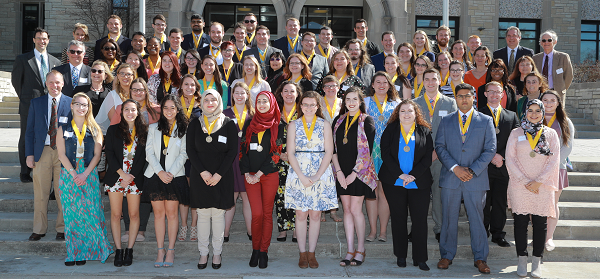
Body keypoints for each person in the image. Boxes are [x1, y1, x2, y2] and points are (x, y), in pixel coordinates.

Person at [435, 83, 496, 274]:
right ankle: (446, 255)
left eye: (467, 96)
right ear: (455, 98)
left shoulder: (485, 121)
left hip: (475, 179)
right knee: (448, 218)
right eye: (459, 96)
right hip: (451, 178)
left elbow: (490, 149)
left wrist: (471, 170)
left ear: (473, 98)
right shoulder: (446, 121)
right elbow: (440, 146)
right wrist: (455, 168)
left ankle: (480, 258)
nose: (463, 99)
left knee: (477, 219)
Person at [505, 99, 560, 278]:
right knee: (520, 223)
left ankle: (537, 261)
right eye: (531, 110)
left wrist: (538, 181)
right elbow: (510, 158)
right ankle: (522, 258)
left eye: (538, 111)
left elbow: (554, 161)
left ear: (543, 113)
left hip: (542, 186)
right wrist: (524, 180)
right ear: (525, 112)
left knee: (539, 224)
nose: (534, 114)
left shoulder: (551, 134)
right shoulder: (516, 132)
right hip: (520, 184)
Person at [56, 93, 111, 266]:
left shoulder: (95, 129)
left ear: (89, 108)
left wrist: (85, 174)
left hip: (89, 174)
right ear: (71, 106)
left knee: (91, 215)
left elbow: (97, 155)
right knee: (72, 216)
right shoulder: (63, 128)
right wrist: (74, 174)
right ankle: (75, 253)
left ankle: (90, 251)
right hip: (69, 175)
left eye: (85, 105)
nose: (81, 108)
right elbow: (61, 154)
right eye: (78, 104)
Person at [379, 99, 433, 271]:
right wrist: (400, 174)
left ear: (416, 113)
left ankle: (420, 258)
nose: (407, 114)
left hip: (419, 182)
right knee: (398, 219)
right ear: (397, 113)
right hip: (394, 181)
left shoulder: (425, 131)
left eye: (410, 111)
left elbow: (427, 158)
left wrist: (413, 176)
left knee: (419, 221)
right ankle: (400, 256)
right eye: (403, 111)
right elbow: (385, 154)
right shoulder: (390, 129)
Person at [285, 91, 337, 269]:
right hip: (298, 171)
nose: (308, 107)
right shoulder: (293, 125)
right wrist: (301, 175)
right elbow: (290, 152)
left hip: (320, 172)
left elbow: (329, 151)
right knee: (300, 214)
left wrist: (316, 176)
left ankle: (312, 253)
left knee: (315, 214)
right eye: (305, 104)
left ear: (317, 106)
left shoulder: (325, 125)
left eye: (312, 104)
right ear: (300, 106)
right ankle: (302, 253)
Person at [188, 89, 238, 270]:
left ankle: (217, 252)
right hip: (200, 175)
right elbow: (190, 151)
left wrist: (218, 175)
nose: (210, 103)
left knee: (218, 216)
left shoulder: (228, 124)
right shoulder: (194, 124)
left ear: (219, 102)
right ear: (201, 103)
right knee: (202, 216)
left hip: (221, 177)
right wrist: (203, 173)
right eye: (206, 100)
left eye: (213, 100)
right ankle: (203, 253)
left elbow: (232, 151)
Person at [331, 87, 377, 267]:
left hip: (359, 173)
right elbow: (333, 149)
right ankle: (350, 250)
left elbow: (368, 152)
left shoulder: (367, 121)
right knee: (347, 210)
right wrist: (339, 173)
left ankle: (360, 249)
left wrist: (353, 174)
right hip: (341, 173)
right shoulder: (338, 120)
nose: (350, 102)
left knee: (356, 210)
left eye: (354, 99)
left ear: (360, 102)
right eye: (347, 99)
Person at [240, 91, 285, 269]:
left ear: (272, 103)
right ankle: (255, 249)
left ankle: (264, 251)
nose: (262, 104)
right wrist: (246, 174)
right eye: (259, 101)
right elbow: (243, 150)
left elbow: (276, 153)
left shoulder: (278, 125)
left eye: (265, 101)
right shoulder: (249, 123)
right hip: (250, 177)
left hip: (268, 175)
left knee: (267, 214)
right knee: (256, 214)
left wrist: (258, 174)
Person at [24, 70, 71, 242]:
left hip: (63, 154)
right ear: (46, 83)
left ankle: (62, 228)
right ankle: (39, 229)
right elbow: (28, 132)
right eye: (51, 82)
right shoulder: (36, 103)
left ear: (63, 83)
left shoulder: (71, 103)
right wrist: (29, 155)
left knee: (62, 193)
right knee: (41, 193)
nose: (54, 86)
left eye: (57, 82)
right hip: (41, 152)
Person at [111, 79, 160, 243]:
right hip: (124, 161)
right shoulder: (121, 108)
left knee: (143, 194)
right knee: (125, 194)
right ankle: (127, 228)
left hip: (145, 160)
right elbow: (113, 136)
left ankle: (141, 229)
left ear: (146, 91)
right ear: (129, 91)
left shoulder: (155, 111)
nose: (138, 93)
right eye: (134, 90)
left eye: (141, 90)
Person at [413, 68, 457, 243]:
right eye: (427, 79)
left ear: (440, 81)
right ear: (423, 82)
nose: (430, 82)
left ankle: (439, 228)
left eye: (434, 79)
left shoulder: (450, 103)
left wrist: (439, 152)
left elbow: (453, 131)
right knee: (418, 195)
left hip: (441, 157)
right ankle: (416, 228)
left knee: (438, 194)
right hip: (420, 158)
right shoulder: (415, 104)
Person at [145, 94, 189, 268]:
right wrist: (160, 172)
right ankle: (160, 250)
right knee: (158, 215)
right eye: (165, 108)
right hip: (156, 176)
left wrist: (169, 173)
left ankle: (171, 250)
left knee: (172, 214)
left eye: (172, 108)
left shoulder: (183, 128)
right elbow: (149, 153)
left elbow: (184, 154)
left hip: (174, 176)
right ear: (161, 110)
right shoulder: (153, 128)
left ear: (177, 110)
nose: (169, 111)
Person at [13, 28, 62, 182]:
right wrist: (27, 98)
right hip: (29, 104)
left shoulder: (56, 61)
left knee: (47, 136)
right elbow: (16, 82)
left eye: (45, 38)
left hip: (50, 105)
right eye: (39, 38)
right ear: (33, 40)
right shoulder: (23, 59)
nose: (42, 41)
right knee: (26, 136)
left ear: (48, 40)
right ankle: (25, 172)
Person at [104, 98, 148, 266]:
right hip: (116, 177)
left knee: (134, 214)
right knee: (115, 215)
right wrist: (122, 175)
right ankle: (118, 250)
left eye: (133, 110)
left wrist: (130, 177)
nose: (130, 113)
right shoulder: (113, 129)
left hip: (134, 179)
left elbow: (143, 158)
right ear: (121, 113)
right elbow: (109, 153)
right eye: (126, 110)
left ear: (138, 112)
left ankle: (129, 249)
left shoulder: (143, 131)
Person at [480, 81, 520, 248]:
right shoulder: (477, 114)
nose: (494, 95)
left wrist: (501, 157)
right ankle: (482, 232)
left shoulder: (511, 116)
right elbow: (474, 141)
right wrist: (490, 156)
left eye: (498, 92)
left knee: (499, 202)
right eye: (491, 92)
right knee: (483, 202)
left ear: (503, 94)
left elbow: (516, 141)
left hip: (503, 167)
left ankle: (498, 234)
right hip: (483, 167)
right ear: (485, 94)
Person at [363, 72, 400, 243]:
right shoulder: (365, 102)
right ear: (372, 84)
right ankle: (372, 230)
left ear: (390, 85)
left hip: (389, 153)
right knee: (371, 192)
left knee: (384, 192)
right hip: (369, 152)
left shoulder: (396, 104)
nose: (381, 85)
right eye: (378, 82)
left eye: (385, 82)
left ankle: (383, 231)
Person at [540, 90, 574, 252]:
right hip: (536, 170)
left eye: (552, 100)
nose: (548, 103)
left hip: (557, 169)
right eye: (545, 100)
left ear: (558, 103)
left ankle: (549, 238)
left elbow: (568, 147)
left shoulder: (565, 121)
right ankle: (539, 236)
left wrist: (554, 164)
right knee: (537, 204)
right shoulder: (533, 118)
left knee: (552, 204)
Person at [223, 82, 254, 242]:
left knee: (248, 197)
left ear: (247, 95)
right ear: (232, 95)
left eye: (243, 93)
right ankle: (225, 233)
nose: (240, 96)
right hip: (230, 160)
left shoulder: (254, 114)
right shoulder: (225, 113)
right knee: (230, 197)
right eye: (237, 93)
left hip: (248, 161)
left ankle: (251, 232)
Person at [273, 81, 302, 242]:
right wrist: (279, 153)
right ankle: (283, 228)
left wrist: (293, 155)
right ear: (281, 94)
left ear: (297, 94)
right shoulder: (275, 113)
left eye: (292, 91)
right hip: (280, 160)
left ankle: (297, 229)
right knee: (281, 195)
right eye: (286, 91)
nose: (289, 94)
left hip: (298, 161)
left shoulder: (303, 112)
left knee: (298, 195)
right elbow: (270, 137)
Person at [177, 75, 202, 242]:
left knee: (195, 190)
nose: (189, 87)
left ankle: (194, 226)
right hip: (178, 152)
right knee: (183, 191)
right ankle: (183, 225)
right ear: (181, 86)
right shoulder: (174, 103)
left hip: (196, 152)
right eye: (186, 84)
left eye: (192, 85)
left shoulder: (202, 105)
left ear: (196, 87)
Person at [533, 30, 574, 103]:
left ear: (555, 42)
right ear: (541, 43)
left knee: (558, 114)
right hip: (539, 93)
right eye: (544, 40)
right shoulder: (535, 58)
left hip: (557, 93)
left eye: (549, 40)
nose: (546, 42)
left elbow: (569, 76)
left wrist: (561, 89)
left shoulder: (563, 57)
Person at [96, 63, 136, 133]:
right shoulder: (112, 95)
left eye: (129, 74)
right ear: (117, 76)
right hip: (118, 132)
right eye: (122, 73)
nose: (125, 77)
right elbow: (114, 121)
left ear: (133, 76)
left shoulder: (138, 94)